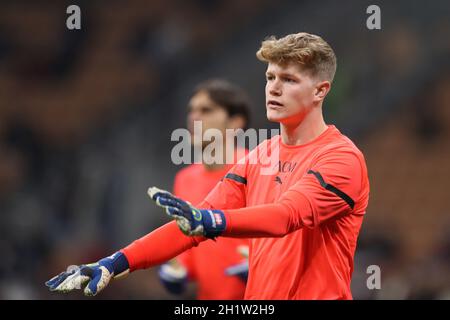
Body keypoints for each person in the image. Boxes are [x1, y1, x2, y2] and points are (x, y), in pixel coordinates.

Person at [46, 32, 370, 300]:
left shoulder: (341, 158)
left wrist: (208, 220)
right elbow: (190, 227)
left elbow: (287, 216)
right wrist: (114, 263)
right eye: (270, 77)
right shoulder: (259, 157)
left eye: (288, 79)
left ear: (320, 91)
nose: (273, 87)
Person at [157, 79, 251, 300]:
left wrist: (265, 263)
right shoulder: (185, 179)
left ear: (235, 122)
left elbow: (288, 235)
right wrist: (177, 270)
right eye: (191, 110)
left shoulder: (258, 171)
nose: (193, 117)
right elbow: (189, 249)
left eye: (206, 110)